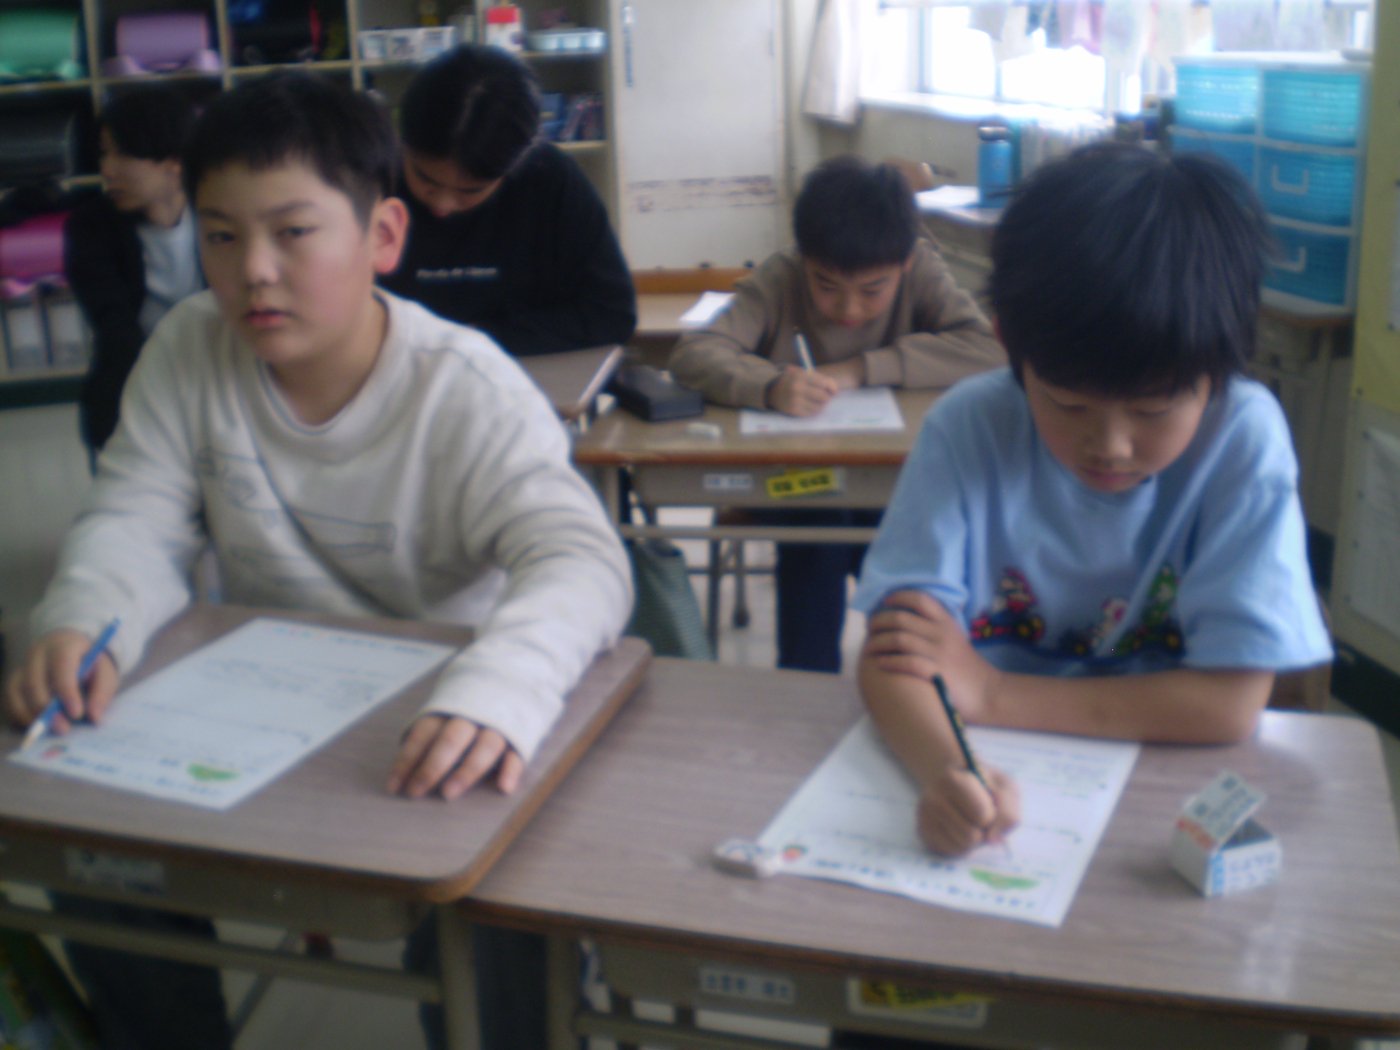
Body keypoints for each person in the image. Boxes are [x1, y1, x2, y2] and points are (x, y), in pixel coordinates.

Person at [5, 72, 631, 1050]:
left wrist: (500, 688)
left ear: (383, 235)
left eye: (293, 232)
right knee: (89, 838)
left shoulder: (465, 384)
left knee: (501, 894)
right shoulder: (188, 347)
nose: (253, 271)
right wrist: (85, 618)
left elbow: (582, 559)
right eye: (220, 236)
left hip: (442, 709)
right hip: (272, 702)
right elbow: (134, 517)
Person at [852, 142, 1333, 858]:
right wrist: (951, 770)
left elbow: (1229, 704)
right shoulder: (968, 426)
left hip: (1165, 796)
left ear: (1221, 361)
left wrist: (992, 694)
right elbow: (894, 656)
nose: (1109, 446)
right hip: (998, 771)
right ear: (1010, 343)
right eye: (1067, 403)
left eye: (1153, 409)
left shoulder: (1243, 439)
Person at [668, 155, 1004, 674]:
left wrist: (861, 369)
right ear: (805, 259)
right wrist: (770, 386)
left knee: (895, 529)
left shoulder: (920, 269)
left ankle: (909, 679)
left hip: (888, 474)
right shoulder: (780, 277)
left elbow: (989, 349)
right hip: (789, 478)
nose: (849, 309)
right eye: (826, 286)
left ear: (905, 264)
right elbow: (695, 352)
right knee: (821, 522)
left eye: (872, 291)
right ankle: (809, 679)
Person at [380, 43, 636, 356]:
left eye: (470, 191)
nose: (442, 205)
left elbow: (613, 313)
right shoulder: (374, 181)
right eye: (425, 179)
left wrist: (475, 340)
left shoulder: (550, 181)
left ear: (514, 167)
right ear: (402, 143)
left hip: (521, 374)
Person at [66, 84, 203, 457]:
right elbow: (115, 330)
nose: (107, 169)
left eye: (123, 154)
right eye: (104, 153)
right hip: (133, 394)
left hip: (222, 386)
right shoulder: (90, 227)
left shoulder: (219, 216)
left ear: (174, 161)